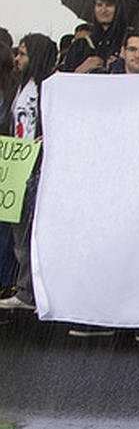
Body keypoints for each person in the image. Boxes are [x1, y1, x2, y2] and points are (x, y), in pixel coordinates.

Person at [0, 34, 59, 313]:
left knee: (28, 235)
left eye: (23, 53)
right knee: (19, 233)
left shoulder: (49, 88)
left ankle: (28, 292)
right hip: (18, 168)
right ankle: (25, 289)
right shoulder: (23, 87)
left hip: (36, 169)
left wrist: (45, 139)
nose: (17, 58)